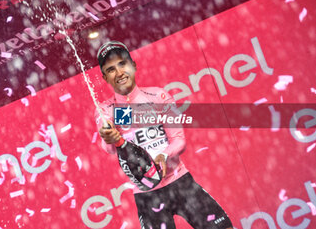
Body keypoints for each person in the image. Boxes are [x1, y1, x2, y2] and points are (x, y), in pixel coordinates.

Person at [95, 41, 233, 229]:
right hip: (148, 196)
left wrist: (164, 156)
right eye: (111, 69)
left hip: (181, 183)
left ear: (133, 65)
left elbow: (179, 140)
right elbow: (110, 147)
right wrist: (108, 135)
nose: (119, 72)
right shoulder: (106, 110)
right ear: (105, 78)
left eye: (122, 64)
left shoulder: (158, 96)